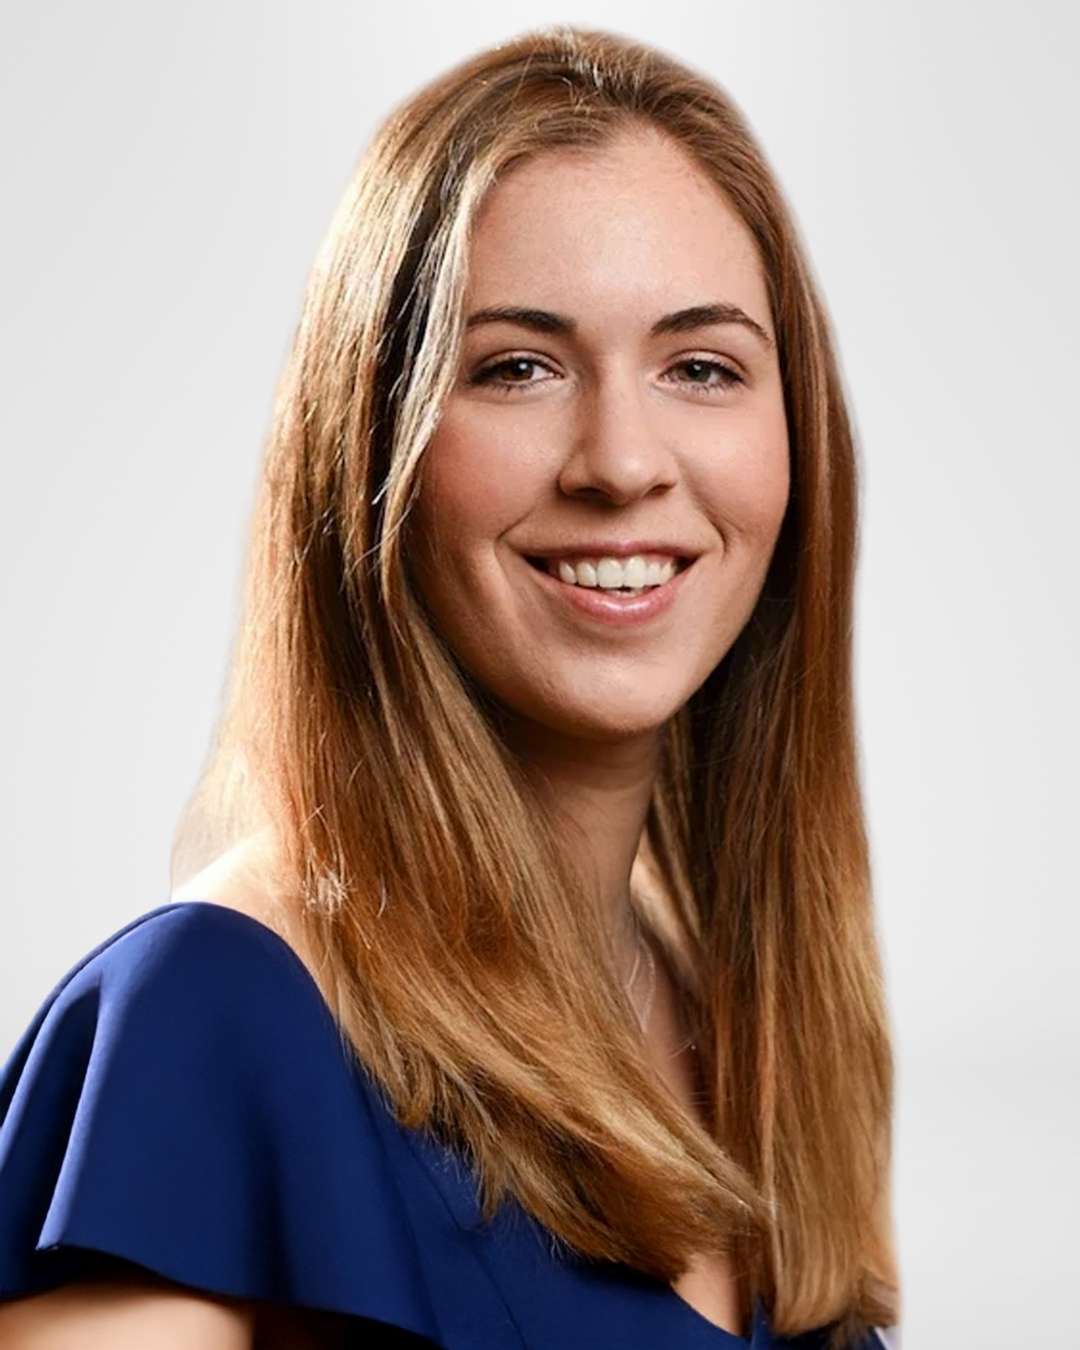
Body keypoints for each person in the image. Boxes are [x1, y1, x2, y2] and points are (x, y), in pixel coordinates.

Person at [0, 27, 898, 1349]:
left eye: (701, 365)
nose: (622, 460)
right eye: (517, 367)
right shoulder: (209, 1017)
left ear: (795, 441)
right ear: (371, 448)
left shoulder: (735, 1010)